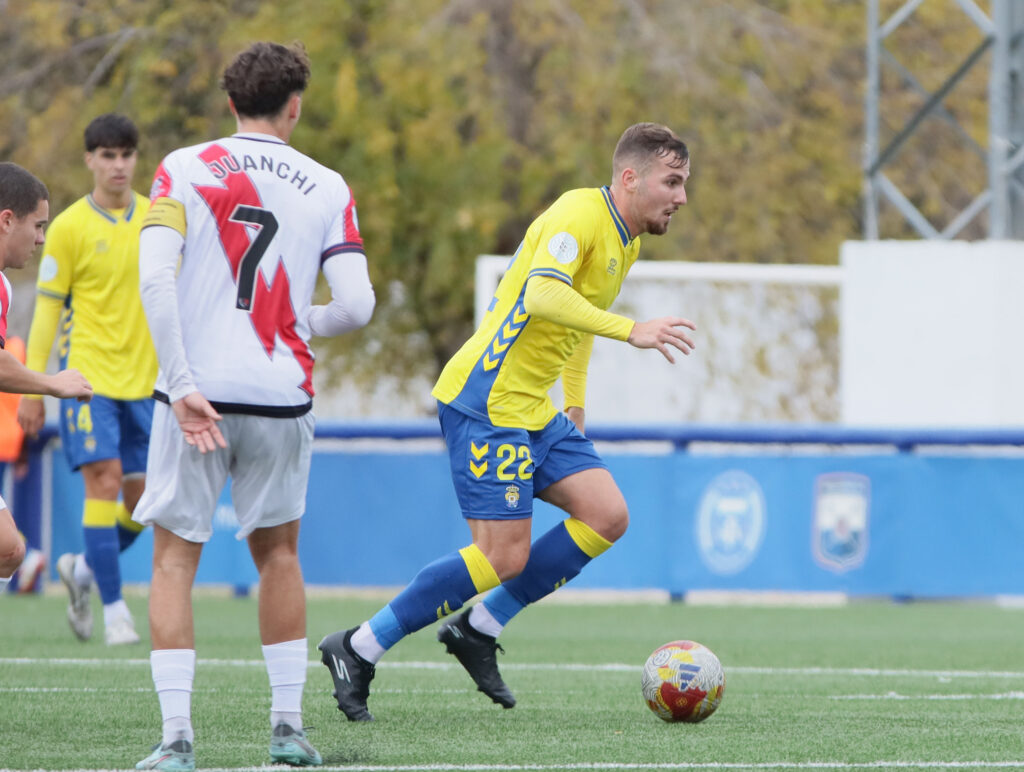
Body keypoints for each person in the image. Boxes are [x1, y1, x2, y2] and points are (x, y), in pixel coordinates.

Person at [319, 122, 696, 721]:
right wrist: (634, 330)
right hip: (486, 400)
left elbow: (577, 321)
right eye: (672, 182)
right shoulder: (580, 213)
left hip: (533, 409)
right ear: (630, 178)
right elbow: (546, 295)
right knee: (502, 556)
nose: (680, 197)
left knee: (606, 515)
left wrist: (575, 403)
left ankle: (478, 627)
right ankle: (358, 648)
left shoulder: (627, 239)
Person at [132, 41, 375, 771]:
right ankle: (287, 730)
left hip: (194, 392)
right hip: (280, 395)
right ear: (294, 105)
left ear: (230, 103)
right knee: (279, 557)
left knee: (174, 561)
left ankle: (177, 740)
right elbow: (357, 306)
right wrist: (298, 323)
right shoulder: (328, 185)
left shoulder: (182, 166)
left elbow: (156, 282)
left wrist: (180, 384)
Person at [17, 114, 157, 645]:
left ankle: (82, 570)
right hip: (88, 382)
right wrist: (36, 385)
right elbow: (48, 312)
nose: (117, 164)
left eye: (126, 154)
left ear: (134, 159)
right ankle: (116, 609)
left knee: (145, 504)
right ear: (90, 160)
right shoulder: (70, 227)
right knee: (103, 482)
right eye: (107, 154)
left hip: (148, 384)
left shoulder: (159, 219)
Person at [0, 162, 93, 593]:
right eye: (37, 226)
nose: (41, 238)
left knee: (10, 551)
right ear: (7, 220)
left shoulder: (3, 286)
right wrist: (53, 383)